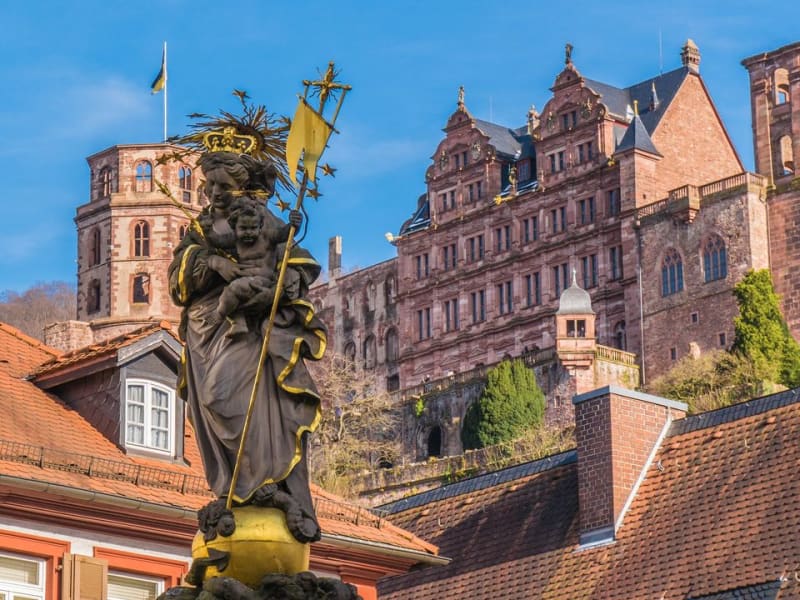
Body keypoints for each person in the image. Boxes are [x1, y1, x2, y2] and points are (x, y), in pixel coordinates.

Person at [168, 150, 325, 543]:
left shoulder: (259, 219)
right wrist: (214, 264)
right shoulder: (201, 229)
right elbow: (177, 282)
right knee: (208, 405)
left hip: (250, 330)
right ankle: (233, 489)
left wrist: (287, 277)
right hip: (205, 330)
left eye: (225, 185)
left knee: (230, 399)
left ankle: (266, 486)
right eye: (211, 185)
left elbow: (296, 258)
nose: (215, 193)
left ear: (243, 187)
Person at [205, 196, 294, 338]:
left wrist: (294, 223)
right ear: (234, 227)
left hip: (262, 281)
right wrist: (208, 228)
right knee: (231, 294)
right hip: (244, 280)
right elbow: (217, 241)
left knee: (232, 290)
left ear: (260, 227)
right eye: (243, 228)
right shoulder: (235, 239)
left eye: (253, 228)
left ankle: (219, 314)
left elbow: (285, 234)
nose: (248, 232)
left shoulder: (267, 237)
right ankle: (239, 323)